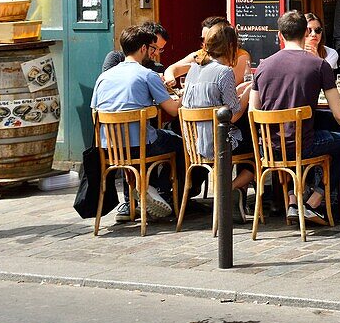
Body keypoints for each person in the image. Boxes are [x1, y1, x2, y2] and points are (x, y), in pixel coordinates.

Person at [250, 10, 340, 224]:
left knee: (298, 138)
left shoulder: (263, 66)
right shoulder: (318, 64)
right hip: (304, 145)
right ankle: (313, 202)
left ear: (280, 35)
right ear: (305, 33)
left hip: (270, 147)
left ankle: (293, 202)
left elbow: (253, 112)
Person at [91, 24, 183, 221]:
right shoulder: (147, 74)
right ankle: (164, 193)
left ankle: (141, 188)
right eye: (151, 48)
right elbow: (173, 110)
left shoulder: (103, 78)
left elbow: (96, 112)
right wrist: (187, 94)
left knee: (152, 137)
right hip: (140, 146)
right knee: (180, 143)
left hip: (109, 149)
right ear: (143, 48)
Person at [181, 23, 256, 223]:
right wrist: (248, 91)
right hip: (219, 142)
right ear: (231, 46)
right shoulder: (224, 72)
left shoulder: (194, 69)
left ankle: (235, 196)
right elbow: (233, 114)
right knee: (262, 153)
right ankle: (228, 190)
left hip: (195, 144)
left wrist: (238, 93)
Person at [165, 17, 251, 87]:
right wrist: (170, 79)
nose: (204, 43)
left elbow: (228, 86)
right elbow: (173, 68)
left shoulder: (240, 56)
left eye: (209, 40)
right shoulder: (202, 54)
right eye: (202, 39)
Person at [101, 21, 170, 78]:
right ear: (143, 44)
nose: (156, 53)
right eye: (154, 47)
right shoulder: (116, 58)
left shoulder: (157, 68)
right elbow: (108, 82)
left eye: (160, 49)